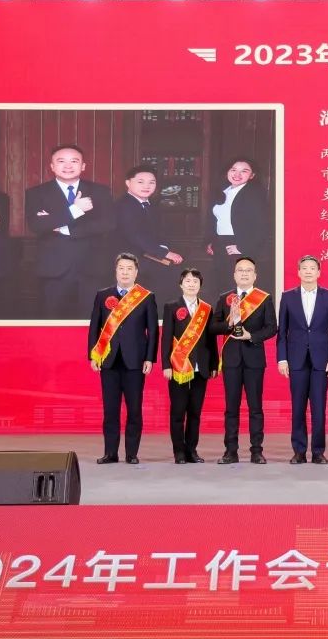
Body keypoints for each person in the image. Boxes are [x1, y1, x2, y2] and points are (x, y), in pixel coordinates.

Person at [26, 144, 115, 319]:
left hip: (91, 267)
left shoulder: (100, 191)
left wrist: (64, 228)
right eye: (61, 161)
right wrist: (75, 209)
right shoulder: (36, 193)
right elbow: (37, 225)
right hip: (53, 270)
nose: (68, 166)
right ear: (52, 166)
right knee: (52, 321)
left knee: (92, 321)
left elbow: (108, 223)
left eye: (74, 161)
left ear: (83, 166)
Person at [88, 253, 158, 465]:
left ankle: (131, 453)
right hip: (108, 360)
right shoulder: (103, 295)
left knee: (134, 409)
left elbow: (153, 331)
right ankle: (110, 453)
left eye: (129, 269)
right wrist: (93, 355)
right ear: (115, 270)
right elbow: (94, 327)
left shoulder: (146, 297)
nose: (125, 272)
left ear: (136, 272)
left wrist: (149, 358)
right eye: (121, 268)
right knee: (110, 410)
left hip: (135, 361)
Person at [210, 256, 277, 464]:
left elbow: (272, 327)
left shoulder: (264, 298)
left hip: (254, 359)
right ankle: (230, 451)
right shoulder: (225, 298)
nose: (244, 273)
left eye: (249, 270)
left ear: (255, 275)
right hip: (231, 360)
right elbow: (213, 327)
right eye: (241, 270)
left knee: (255, 407)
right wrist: (229, 324)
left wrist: (251, 336)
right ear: (234, 274)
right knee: (231, 408)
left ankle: (257, 451)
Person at [277, 255, 328, 465]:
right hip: (296, 360)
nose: (308, 271)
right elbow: (282, 332)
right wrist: (282, 359)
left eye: (312, 268)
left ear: (319, 272)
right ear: (298, 272)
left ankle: (318, 451)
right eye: (304, 268)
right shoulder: (288, 297)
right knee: (298, 407)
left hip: (321, 361)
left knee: (319, 408)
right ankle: (299, 451)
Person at [160, 267, 217, 464]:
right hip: (178, 366)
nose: (191, 284)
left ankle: (192, 450)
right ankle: (179, 452)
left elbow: (211, 339)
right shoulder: (171, 307)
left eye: (195, 281)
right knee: (178, 411)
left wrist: (214, 364)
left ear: (200, 285)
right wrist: (166, 364)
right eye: (188, 281)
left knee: (195, 412)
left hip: (201, 367)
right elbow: (166, 338)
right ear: (181, 284)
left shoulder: (207, 309)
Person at [204, 158, 269, 296]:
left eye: (244, 171)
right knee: (221, 287)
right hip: (220, 244)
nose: (237, 174)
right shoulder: (224, 191)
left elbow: (261, 226)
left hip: (241, 244)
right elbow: (216, 220)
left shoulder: (254, 194)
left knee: (240, 289)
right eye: (233, 170)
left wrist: (242, 247)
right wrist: (210, 241)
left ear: (252, 175)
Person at [115, 165, 183, 292]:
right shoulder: (123, 205)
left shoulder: (151, 205)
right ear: (128, 183)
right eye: (140, 182)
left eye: (152, 182)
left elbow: (157, 233)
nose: (146, 186)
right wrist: (165, 253)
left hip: (148, 254)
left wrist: (167, 249)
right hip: (130, 259)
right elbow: (135, 236)